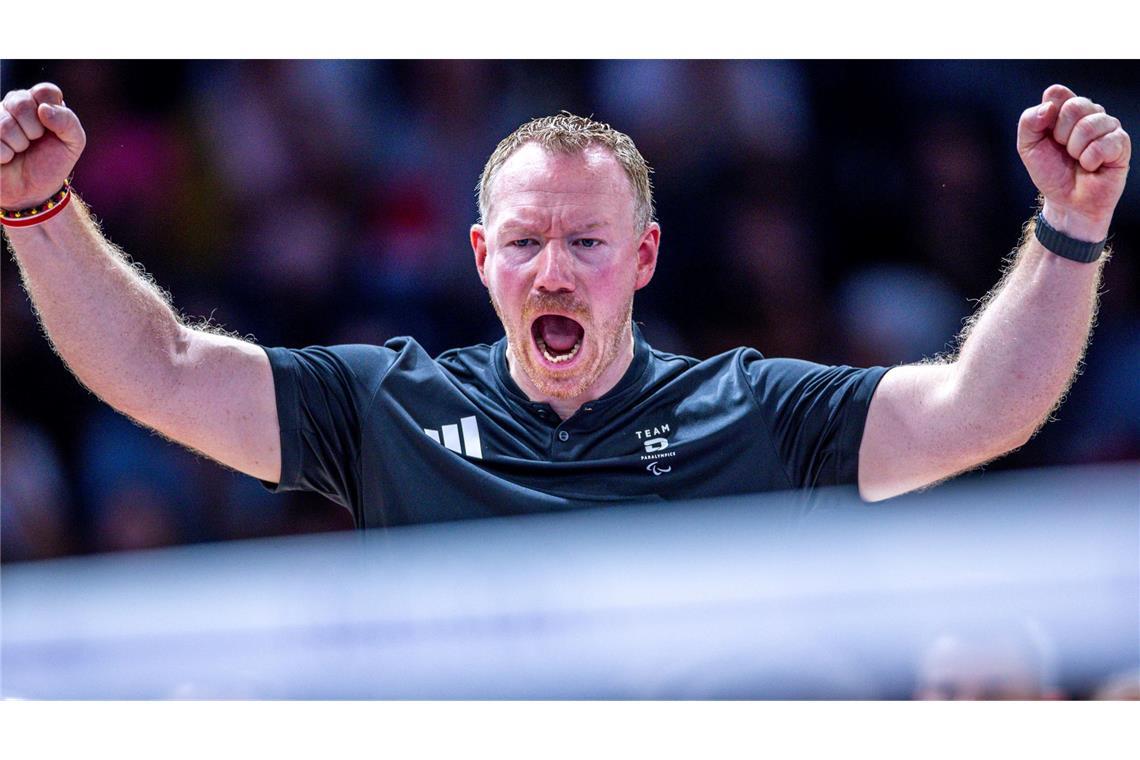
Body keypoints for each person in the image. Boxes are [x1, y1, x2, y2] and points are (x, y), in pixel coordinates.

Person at [1, 82, 1130, 529]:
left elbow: (984, 406)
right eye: (528, 242)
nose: (554, 271)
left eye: (586, 243)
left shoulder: (754, 409)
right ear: (482, 257)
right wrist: (42, 212)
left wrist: (1070, 230)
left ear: (642, 258)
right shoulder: (385, 405)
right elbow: (162, 366)